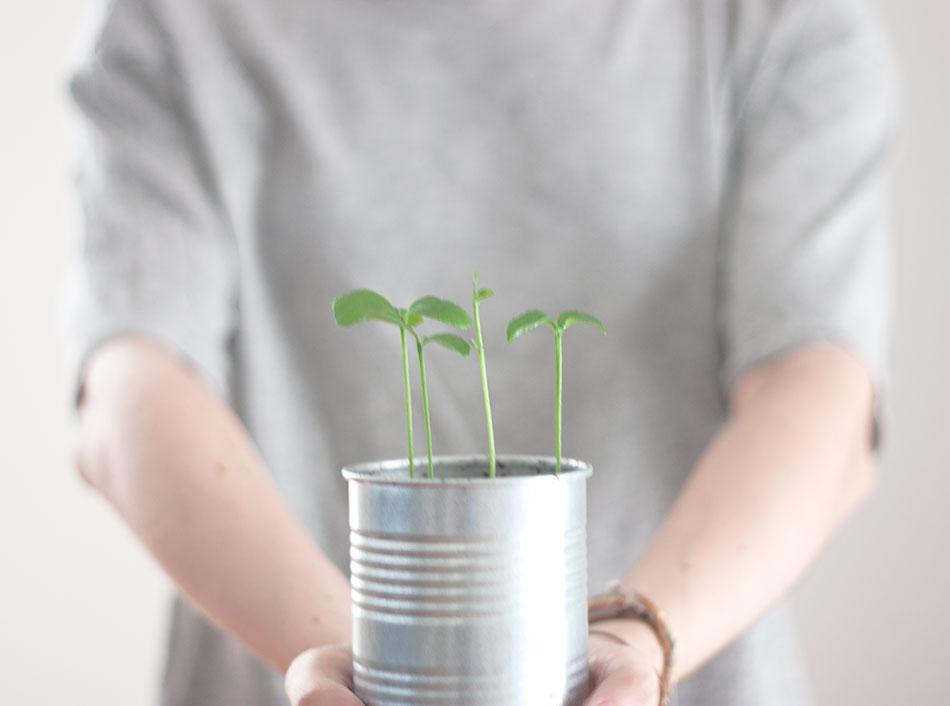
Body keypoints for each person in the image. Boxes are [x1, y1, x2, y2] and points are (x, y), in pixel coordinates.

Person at [68, 0, 897, 704]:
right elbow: (133, 384)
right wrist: (367, 664)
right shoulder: (178, 20)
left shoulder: (775, 17)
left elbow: (819, 388)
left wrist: (636, 633)